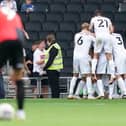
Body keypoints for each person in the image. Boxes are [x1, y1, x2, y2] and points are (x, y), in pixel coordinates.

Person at [0, 6, 25, 119]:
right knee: (19, 79)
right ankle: (20, 111)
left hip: (3, 41)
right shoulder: (16, 15)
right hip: (17, 42)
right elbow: (20, 33)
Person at [89, 10, 115, 98]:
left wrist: (94, 33)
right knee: (109, 56)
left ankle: (93, 72)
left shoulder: (94, 19)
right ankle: (113, 74)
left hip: (99, 37)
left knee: (96, 54)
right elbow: (111, 30)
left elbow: (90, 28)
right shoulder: (107, 19)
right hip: (108, 36)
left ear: (96, 15)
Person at [67, 23, 96, 99]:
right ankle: (89, 94)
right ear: (88, 28)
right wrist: (93, 35)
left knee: (75, 75)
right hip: (84, 56)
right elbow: (97, 42)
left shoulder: (76, 35)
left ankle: (70, 94)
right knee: (88, 75)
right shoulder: (90, 36)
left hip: (75, 56)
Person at [44, 34, 63, 98]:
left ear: (48, 41)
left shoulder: (53, 47)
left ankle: (55, 97)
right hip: (55, 69)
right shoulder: (55, 46)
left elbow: (50, 60)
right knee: (55, 85)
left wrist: (44, 68)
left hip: (52, 69)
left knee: (54, 86)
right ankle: (56, 97)